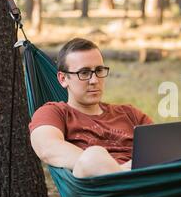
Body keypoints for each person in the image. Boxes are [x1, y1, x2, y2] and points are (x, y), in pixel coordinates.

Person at [29, 38, 153, 178]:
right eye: (84, 73)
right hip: (99, 191)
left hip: (147, 183)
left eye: (99, 70)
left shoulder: (130, 114)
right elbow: (47, 148)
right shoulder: (54, 112)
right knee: (94, 155)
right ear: (63, 79)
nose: (94, 80)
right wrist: (110, 167)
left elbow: (162, 147)